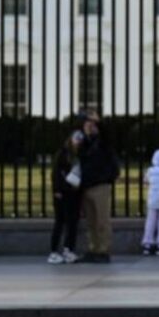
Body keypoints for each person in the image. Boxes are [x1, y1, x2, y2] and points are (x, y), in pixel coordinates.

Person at [77, 110, 119, 263]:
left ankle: (104, 250)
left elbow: (107, 135)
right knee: (91, 222)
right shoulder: (85, 142)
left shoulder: (103, 142)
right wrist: (86, 136)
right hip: (87, 185)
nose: (91, 126)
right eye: (89, 124)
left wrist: (99, 123)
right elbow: (79, 156)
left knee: (102, 220)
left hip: (101, 185)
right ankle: (93, 248)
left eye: (93, 124)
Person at [48, 130, 84, 264]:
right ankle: (54, 252)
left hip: (74, 193)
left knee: (73, 223)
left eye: (80, 140)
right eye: (76, 139)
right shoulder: (62, 153)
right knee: (60, 221)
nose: (78, 142)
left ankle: (68, 250)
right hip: (63, 192)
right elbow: (56, 173)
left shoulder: (80, 154)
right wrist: (57, 190)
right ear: (71, 139)